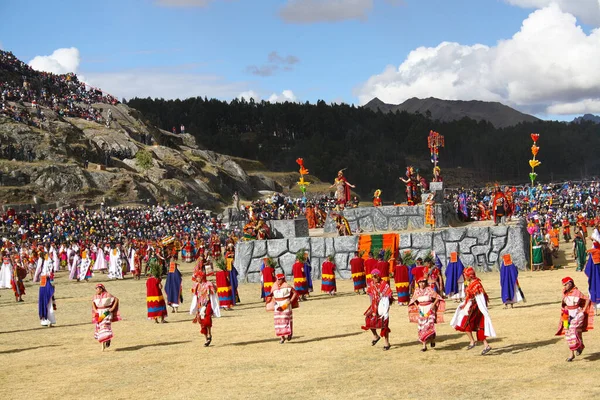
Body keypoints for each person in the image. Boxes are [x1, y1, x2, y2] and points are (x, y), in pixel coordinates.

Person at [450, 267, 495, 355]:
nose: (464, 276)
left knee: (466, 323)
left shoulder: (476, 284)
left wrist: (472, 305)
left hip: (474, 308)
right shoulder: (472, 283)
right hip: (472, 307)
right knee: (476, 326)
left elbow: (480, 298)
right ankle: (485, 345)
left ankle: (473, 341)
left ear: (469, 276)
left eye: (465, 275)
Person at [556, 277, 593, 362]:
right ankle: (573, 353)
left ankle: (578, 346)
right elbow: (563, 303)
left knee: (573, 331)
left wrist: (583, 310)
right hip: (566, 315)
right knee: (568, 334)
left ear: (570, 283)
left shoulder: (577, 292)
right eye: (563, 285)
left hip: (577, 314)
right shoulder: (564, 292)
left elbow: (587, 299)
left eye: (566, 284)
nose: (564, 286)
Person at [408, 271, 445, 351]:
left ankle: (432, 339)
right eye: (420, 283)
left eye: (423, 282)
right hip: (421, 309)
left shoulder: (429, 289)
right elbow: (413, 299)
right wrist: (417, 305)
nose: (422, 284)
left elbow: (438, 297)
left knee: (429, 325)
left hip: (429, 309)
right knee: (422, 327)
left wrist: (433, 304)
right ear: (418, 283)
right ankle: (424, 345)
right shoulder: (417, 290)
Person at [361, 269, 393, 351]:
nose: (374, 278)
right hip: (374, 306)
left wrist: (385, 306)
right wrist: (372, 305)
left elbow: (389, 295)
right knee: (368, 320)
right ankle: (375, 336)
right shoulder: (371, 284)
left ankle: (387, 343)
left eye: (375, 276)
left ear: (379, 276)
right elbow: (370, 294)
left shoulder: (384, 284)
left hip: (382, 307)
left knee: (384, 324)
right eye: (373, 277)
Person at [190, 271, 220, 347]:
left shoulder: (208, 284)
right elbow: (195, 296)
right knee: (202, 322)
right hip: (199, 304)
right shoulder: (196, 285)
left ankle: (209, 333)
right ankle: (206, 339)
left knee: (207, 318)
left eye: (198, 277)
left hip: (208, 303)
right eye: (196, 277)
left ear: (202, 277)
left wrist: (212, 288)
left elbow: (215, 291)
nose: (197, 279)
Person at [269, 273, 298, 344]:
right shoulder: (274, 286)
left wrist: (290, 301)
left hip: (286, 304)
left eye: (279, 279)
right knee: (278, 321)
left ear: (282, 279)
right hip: (277, 305)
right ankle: (282, 337)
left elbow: (295, 293)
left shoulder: (287, 285)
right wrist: (272, 301)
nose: (278, 280)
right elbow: (271, 295)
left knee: (286, 320)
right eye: (277, 279)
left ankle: (289, 333)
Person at [92, 284, 120, 351]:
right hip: (99, 313)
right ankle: (104, 342)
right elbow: (92, 302)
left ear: (101, 289)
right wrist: (95, 310)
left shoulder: (108, 295)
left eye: (97, 289)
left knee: (105, 326)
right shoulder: (95, 297)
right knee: (100, 327)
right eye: (96, 289)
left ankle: (107, 339)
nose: (96, 290)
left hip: (106, 312)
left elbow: (116, 299)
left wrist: (112, 308)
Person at [38, 253, 57, 327]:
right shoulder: (46, 263)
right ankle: (45, 319)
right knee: (47, 302)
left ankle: (49, 319)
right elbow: (48, 274)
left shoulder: (46, 263)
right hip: (45, 284)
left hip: (45, 284)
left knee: (48, 302)